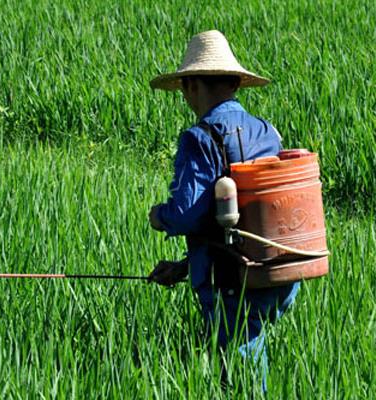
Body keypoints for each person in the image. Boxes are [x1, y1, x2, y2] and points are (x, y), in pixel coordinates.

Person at [146, 30, 300, 392]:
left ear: (191, 85)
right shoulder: (268, 132)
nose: (184, 96)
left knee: (240, 377)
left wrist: (159, 217)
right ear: (235, 83)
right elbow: (244, 220)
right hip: (275, 273)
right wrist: (185, 267)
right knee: (244, 355)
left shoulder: (200, 137)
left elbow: (186, 213)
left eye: (185, 87)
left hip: (233, 282)